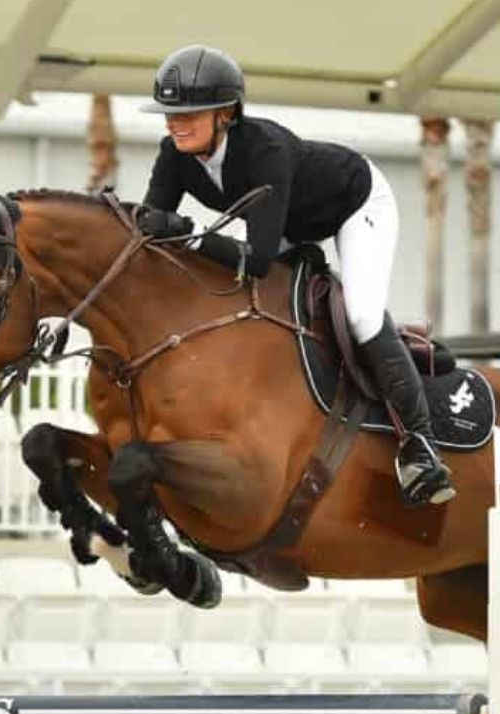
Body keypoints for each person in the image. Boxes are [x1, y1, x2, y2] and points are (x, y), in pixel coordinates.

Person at [137, 44, 453, 507]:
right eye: (170, 113)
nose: (174, 123)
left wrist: (188, 234)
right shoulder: (174, 154)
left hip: (355, 203)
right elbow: (150, 226)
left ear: (226, 114)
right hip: (286, 223)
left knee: (363, 314)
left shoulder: (265, 150)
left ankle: (420, 446)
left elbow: (258, 260)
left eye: (189, 114)